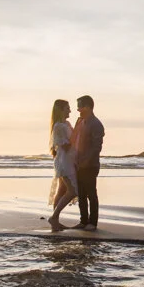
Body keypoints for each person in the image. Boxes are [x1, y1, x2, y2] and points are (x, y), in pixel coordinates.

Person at [71, 94, 104, 231]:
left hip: (90, 165)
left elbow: (97, 147)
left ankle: (93, 222)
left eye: (80, 106)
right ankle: (83, 220)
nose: (78, 109)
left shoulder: (96, 124)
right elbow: (74, 140)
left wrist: (85, 161)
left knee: (91, 193)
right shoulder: (80, 122)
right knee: (81, 194)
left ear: (88, 107)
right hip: (78, 164)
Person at [47, 99, 77, 231]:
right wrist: (76, 139)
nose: (70, 110)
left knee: (62, 190)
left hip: (68, 160)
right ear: (61, 110)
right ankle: (54, 217)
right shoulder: (58, 126)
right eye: (67, 108)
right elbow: (65, 146)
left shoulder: (67, 124)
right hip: (64, 161)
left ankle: (55, 221)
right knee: (73, 191)